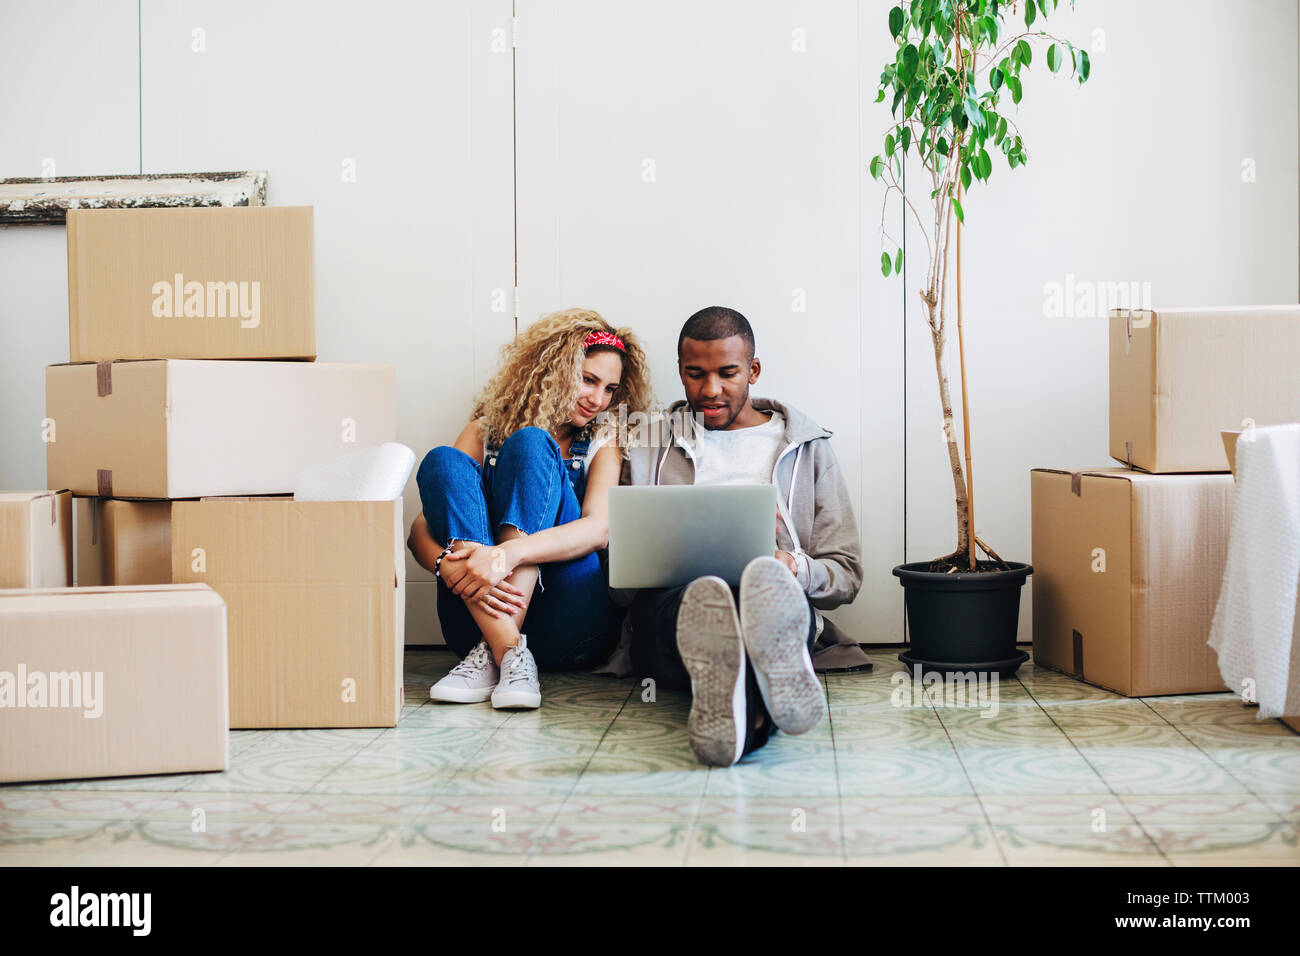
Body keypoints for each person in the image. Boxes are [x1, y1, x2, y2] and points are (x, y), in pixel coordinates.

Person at [619, 306, 863, 766]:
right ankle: (761, 687)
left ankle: (735, 701)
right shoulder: (648, 442)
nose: (710, 390)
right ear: (680, 372)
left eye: (727, 373)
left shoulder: (808, 448)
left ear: (753, 370)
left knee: (758, 596)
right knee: (714, 606)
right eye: (695, 375)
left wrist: (795, 566)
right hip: (672, 607)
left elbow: (846, 574)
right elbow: (621, 579)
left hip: (774, 593)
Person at [409, 308, 653, 710]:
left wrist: (508, 554)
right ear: (552, 371)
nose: (598, 399)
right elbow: (421, 529)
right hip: (470, 626)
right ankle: (508, 653)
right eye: (589, 380)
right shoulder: (482, 431)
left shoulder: (602, 440)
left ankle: (497, 651)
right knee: (442, 463)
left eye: (609, 388)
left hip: (569, 626)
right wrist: (445, 566)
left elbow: (598, 530)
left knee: (530, 445)